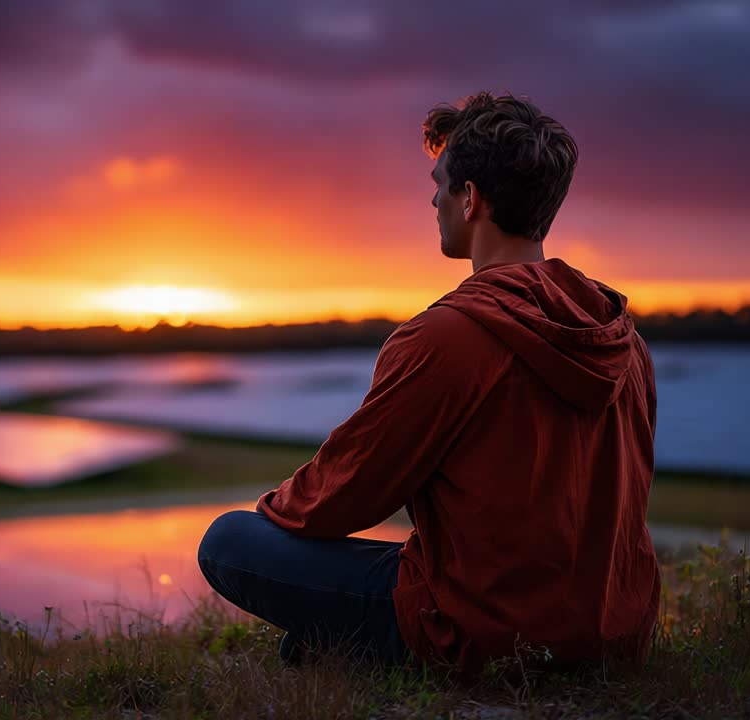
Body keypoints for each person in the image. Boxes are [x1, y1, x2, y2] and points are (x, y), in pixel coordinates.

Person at [197, 91, 660, 675]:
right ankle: (340, 641)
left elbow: (344, 495)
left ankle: (353, 643)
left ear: (470, 201)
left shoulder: (446, 336)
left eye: (441, 183)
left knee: (229, 541)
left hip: (486, 634)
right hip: (614, 634)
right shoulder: (622, 339)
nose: (432, 197)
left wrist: (274, 513)